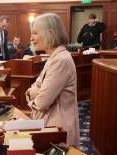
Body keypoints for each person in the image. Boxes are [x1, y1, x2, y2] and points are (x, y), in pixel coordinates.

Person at [25, 13, 80, 147]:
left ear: (51, 33)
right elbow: (34, 87)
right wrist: (37, 92)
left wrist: (37, 93)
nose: (31, 38)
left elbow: (42, 102)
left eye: (35, 33)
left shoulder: (61, 60)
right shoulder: (53, 57)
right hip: (50, 126)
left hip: (58, 129)